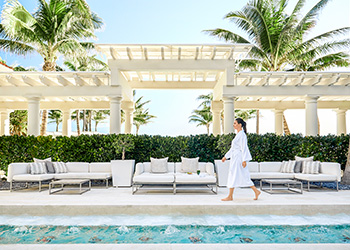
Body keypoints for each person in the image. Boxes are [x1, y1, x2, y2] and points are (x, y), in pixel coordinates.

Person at [221, 118, 261, 201]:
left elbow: (244, 148)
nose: (234, 125)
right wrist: (226, 156)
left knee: (238, 175)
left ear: (240, 125)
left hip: (238, 158)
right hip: (235, 157)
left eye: (235, 123)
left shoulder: (242, 135)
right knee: (237, 175)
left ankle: (230, 196)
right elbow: (233, 148)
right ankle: (255, 191)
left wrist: (244, 160)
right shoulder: (238, 134)